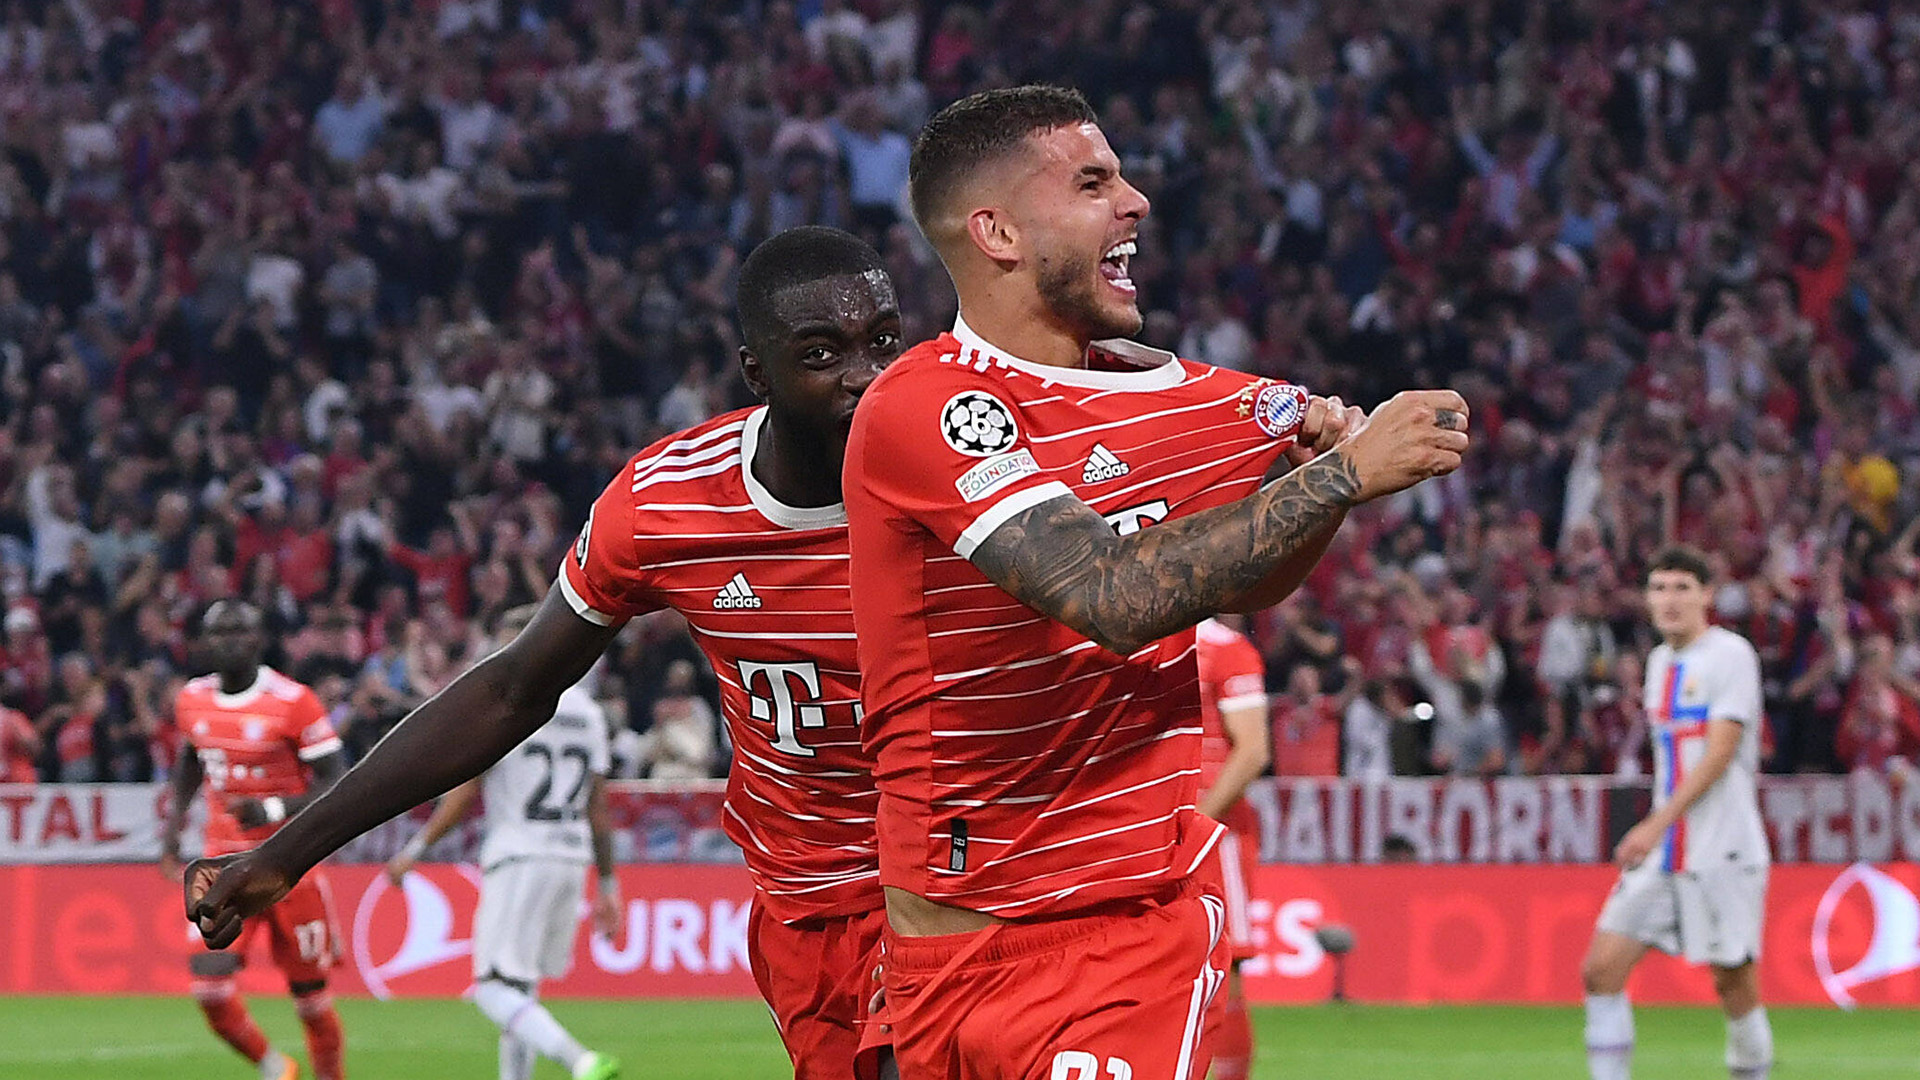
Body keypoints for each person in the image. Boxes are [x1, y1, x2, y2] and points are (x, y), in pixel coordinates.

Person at [843, 85, 1467, 1080]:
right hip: (936, 948)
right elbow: (1107, 596)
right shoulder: (926, 406)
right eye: (1094, 183)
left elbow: (1252, 583)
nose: (1136, 202)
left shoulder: (1179, 395)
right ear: (996, 231)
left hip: (1118, 938)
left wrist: (1319, 482)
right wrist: (1343, 476)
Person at [184, 227, 908, 1080]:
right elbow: (510, 690)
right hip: (806, 913)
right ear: (758, 373)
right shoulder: (666, 502)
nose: (866, 374)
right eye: (823, 352)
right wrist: (283, 854)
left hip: (975, 882)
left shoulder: (969, 464)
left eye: (884, 343)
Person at [385, 604, 621, 1080]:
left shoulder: (509, 704)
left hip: (519, 853)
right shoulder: (588, 712)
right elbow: (598, 806)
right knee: (521, 987)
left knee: (493, 989)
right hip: (569, 857)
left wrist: (414, 850)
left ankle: (581, 1061)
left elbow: (466, 790)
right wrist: (610, 886)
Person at [1581, 547, 1773, 1080]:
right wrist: (1660, 831)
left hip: (1724, 845)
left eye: (1683, 588)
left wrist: (1653, 823)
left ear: (1707, 595)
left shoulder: (1730, 655)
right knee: (1601, 969)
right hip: (1666, 851)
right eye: (1660, 588)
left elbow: (1719, 753)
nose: (1670, 600)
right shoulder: (1660, 662)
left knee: (1734, 983)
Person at [160, 599, 350, 1080]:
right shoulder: (191, 700)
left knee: (310, 999)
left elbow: (337, 778)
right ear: (205, 642)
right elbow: (190, 758)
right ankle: (274, 1068)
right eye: (218, 632)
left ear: (258, 638)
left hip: (290, 865)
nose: (229, 641)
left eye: (239, 631)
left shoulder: (293, 701)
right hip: (223, 864)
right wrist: (172, 827)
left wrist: (273, 808)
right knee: (209, 988)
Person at [1192, 616, 1271, 1080]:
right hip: (1150, 836)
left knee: (1225, 972)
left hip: (1213, 839)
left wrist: (1197, 825)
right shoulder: (1137, 639)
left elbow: (1253, 750)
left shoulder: (1225, 649)